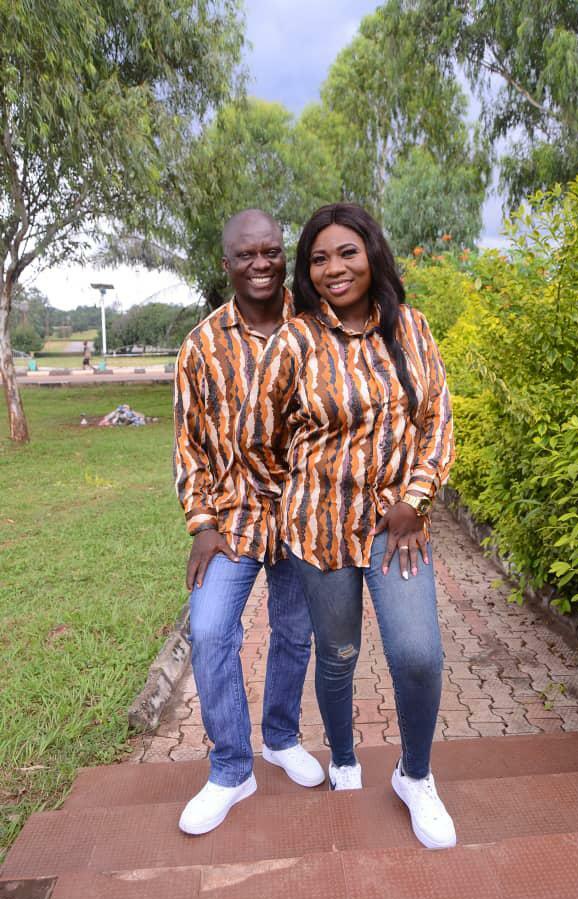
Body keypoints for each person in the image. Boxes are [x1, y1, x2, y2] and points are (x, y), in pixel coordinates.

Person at [236, 203, 456, 850]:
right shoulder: (296, 341)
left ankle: (415, 776)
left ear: (372, 255)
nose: (334, 268)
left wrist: (415, 498)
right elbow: (258, 438)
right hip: (319, 533)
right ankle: (343, 758)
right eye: (319, 258)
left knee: (418, 655)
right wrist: (298, 496)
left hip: (397, 530)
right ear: (307, 273)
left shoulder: (410, 328)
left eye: (347, 252)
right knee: (337, 656)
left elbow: (437, 423)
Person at [173, 208, 324, 836]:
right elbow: (188, 443)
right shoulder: (202, 344)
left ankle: (281, 738)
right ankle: (232, 769)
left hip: (301, 515)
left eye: (271, 251)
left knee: (294, 632)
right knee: (210, 631)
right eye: (246, 254)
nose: (261, 264)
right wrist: (201, 522)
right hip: (232, 516)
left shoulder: (318, 327)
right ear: (226, 263)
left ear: (284, 254)